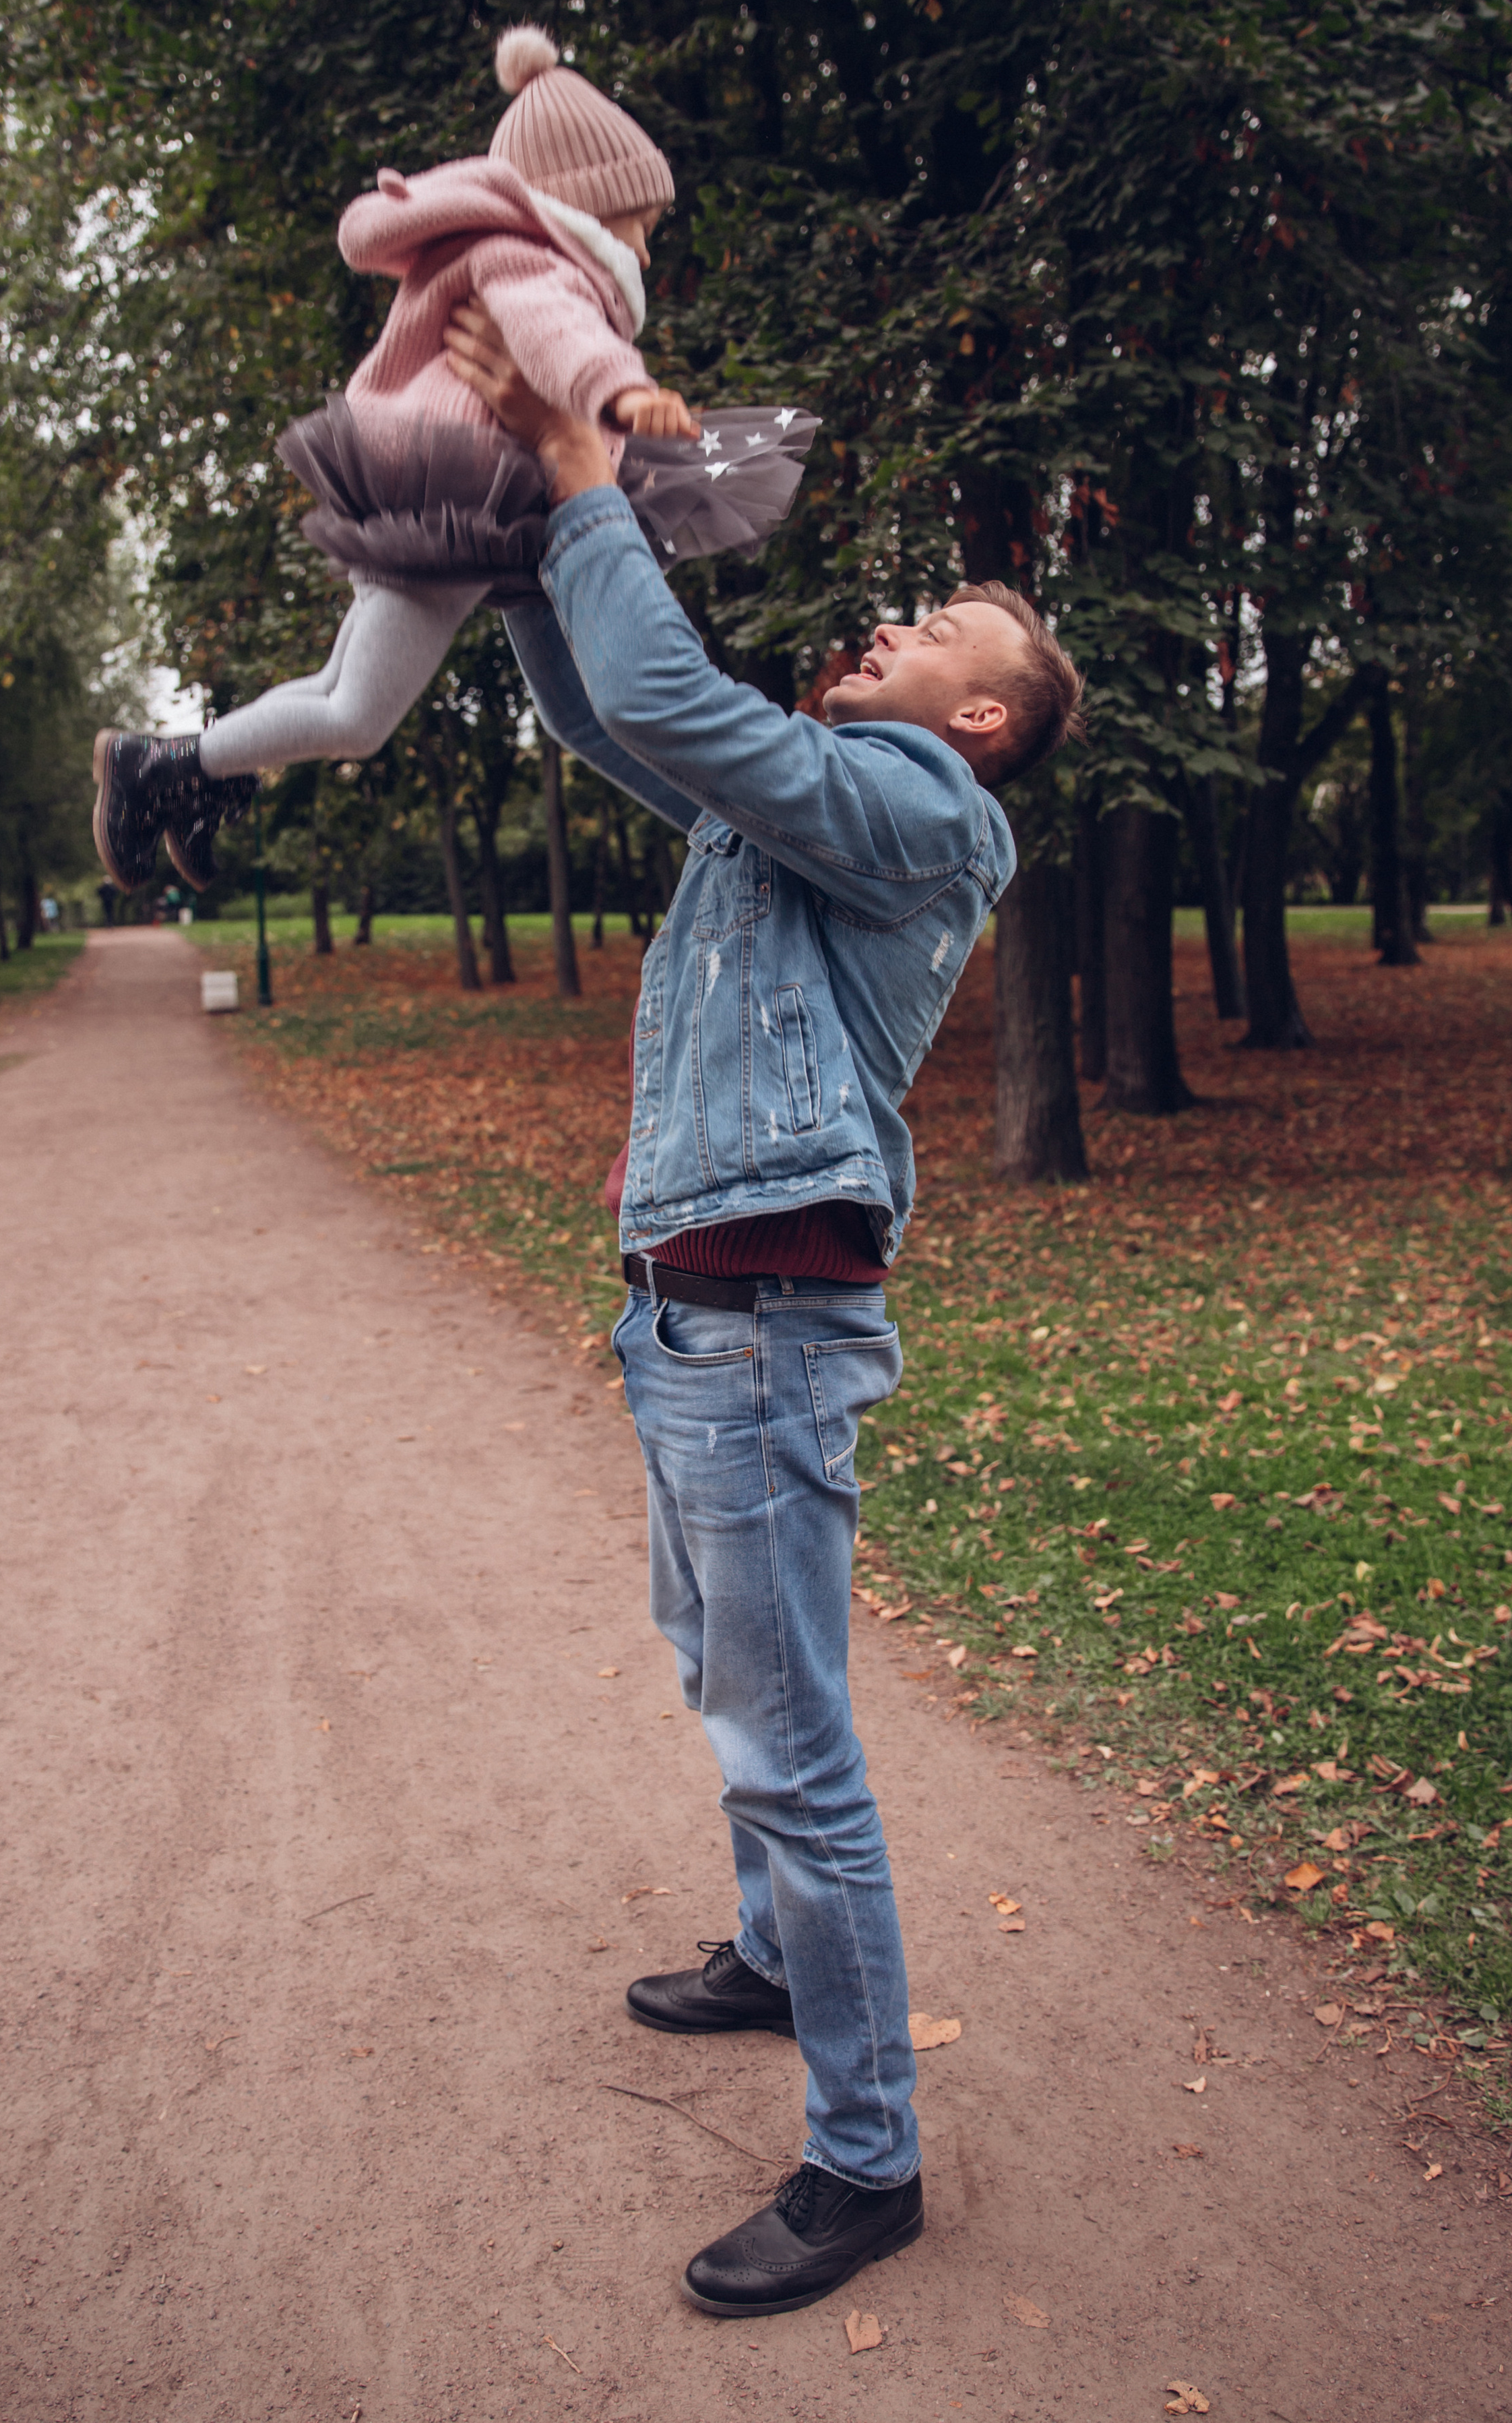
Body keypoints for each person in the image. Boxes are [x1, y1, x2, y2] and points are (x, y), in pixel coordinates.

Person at [441, 299, 1084, 2319]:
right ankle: (770, 1950)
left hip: (766, 1330)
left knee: (791, 1734)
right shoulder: (795, 800)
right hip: (689, 1314)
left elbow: (674, 690)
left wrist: (579, 476)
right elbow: (611, 710)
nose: (894, 619)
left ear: (981, 723)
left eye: (941, 630)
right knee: (718, 1660)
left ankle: (869, 2157)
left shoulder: (926, 817)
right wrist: (524, 540)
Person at [90, 26, 816, 900]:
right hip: (460, 495)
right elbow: (559, 335)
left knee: (336, 684)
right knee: (357, 718)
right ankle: (162, 767)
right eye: (641, 226)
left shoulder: (489, 246)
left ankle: (208, 776)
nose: (648, 252)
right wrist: (624, 393)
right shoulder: (541, 260)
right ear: (586, 202)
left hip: (436, 483)